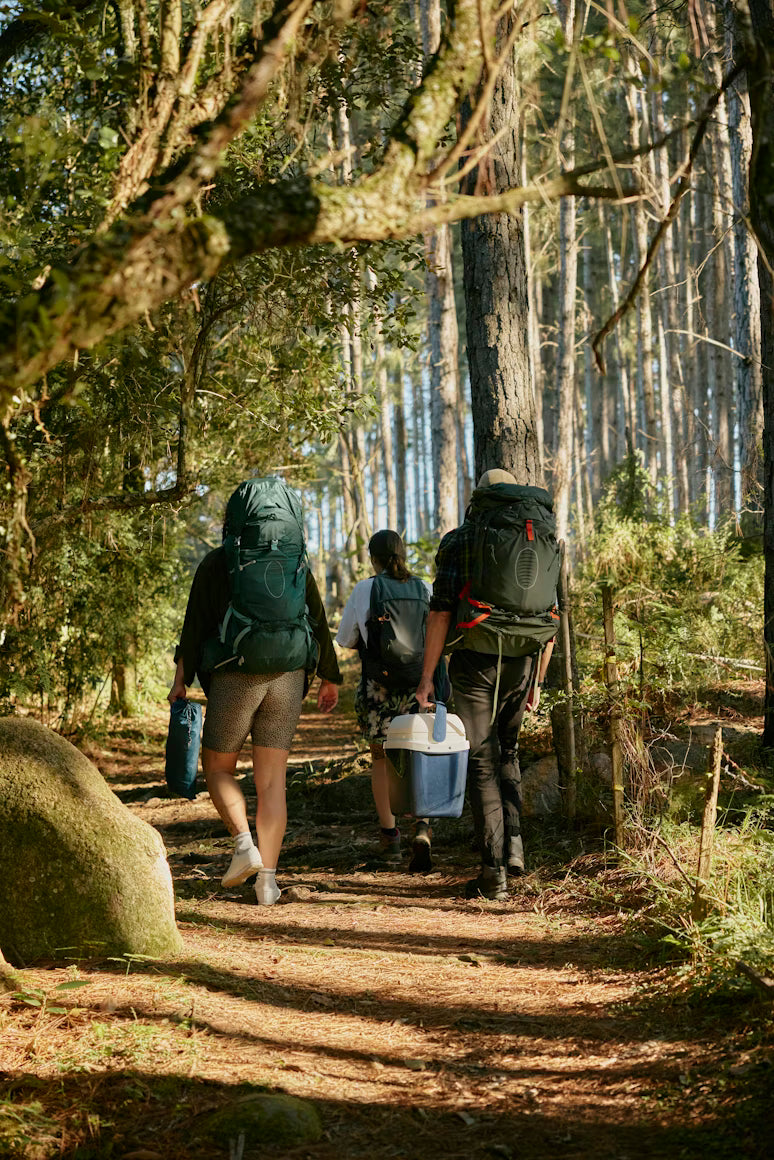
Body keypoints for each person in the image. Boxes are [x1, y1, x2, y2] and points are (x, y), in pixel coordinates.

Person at [168, 478, 341, 906]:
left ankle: (244, 845)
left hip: (235, 676)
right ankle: (268, 881)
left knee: (218, 768)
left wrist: (181, 680)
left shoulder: (217, 563)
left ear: (233, 521)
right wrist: (329, 675)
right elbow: (316, 618)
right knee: (272, 783)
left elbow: (194, 627)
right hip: (289, 677)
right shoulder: (296, 563)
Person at [415, 469, 558, 901]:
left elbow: (440, 611)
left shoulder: (461, 539)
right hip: (523, 660)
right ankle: (515, 848)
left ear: (479, 496)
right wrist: (538, 678)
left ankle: (492, 871)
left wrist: (427, 679)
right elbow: (553, 613)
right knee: (509, 750)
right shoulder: (544, 535)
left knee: (480, 758)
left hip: (476, 659)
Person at [336, 529, 441, 872]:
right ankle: (422, 826)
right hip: (419, 686)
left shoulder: (366, 588)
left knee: (380, 759)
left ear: (373, 557)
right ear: (402, 553)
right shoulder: (424, 587)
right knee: (419, 756)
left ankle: (390, 835)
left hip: (378, 688)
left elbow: (346, 639)